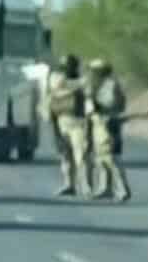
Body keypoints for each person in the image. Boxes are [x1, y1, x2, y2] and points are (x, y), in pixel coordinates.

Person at [85, 58, 132, 202]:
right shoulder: (94, 85)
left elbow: (111, 104)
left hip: (108, 123)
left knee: (112, 157)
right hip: (98, 123)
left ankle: (123, 189)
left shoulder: (110, 85)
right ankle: (106, 188)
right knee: (101, 158)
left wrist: (95, 103)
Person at [43, 54, 90, 197]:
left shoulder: (81, 83)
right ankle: (69, 184)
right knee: (65, 156)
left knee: (80, 156)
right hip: (61, 121)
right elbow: (53, 95)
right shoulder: (59, 80)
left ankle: (86, 185)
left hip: (78, 122)